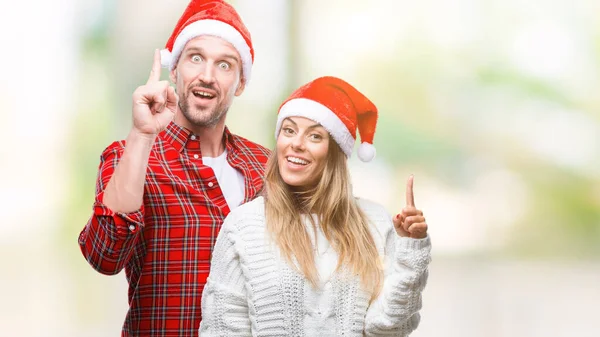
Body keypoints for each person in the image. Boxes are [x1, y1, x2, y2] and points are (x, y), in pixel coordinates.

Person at [77, 0, 270, 335]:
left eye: (224, 65)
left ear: (240, 83)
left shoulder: (265, 165)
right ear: (175, 69)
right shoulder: (129, 155)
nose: (207, 76)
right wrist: (141, 134)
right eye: (196, 58)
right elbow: (104, 255)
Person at [199, 76, 432, 336]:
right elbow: (221, 329)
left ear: (335, 152)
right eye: (289, 130)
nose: (296, 143)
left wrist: (412, 249)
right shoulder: (243, 226)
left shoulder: (375, 222)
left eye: (314, 135)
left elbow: (390, 329)